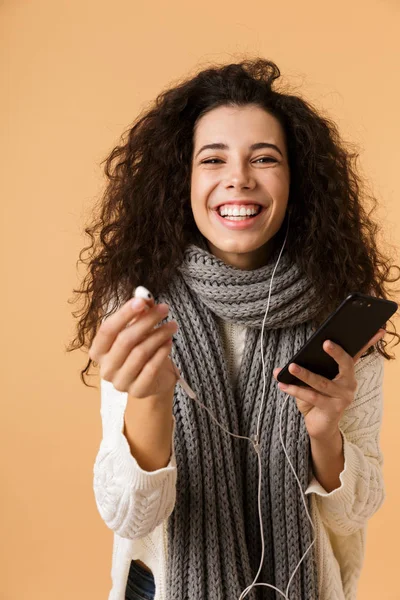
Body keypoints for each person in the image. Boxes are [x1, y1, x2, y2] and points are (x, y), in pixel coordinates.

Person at [68, 58, 399, 600]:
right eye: (212, 159)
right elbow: (128, 513)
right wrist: (150, 400)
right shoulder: (140, 308)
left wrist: (325, 430)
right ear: (184, 179)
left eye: (264, 158)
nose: (238, 178)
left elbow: (354, 514)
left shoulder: (338, 317)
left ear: (297, 180)